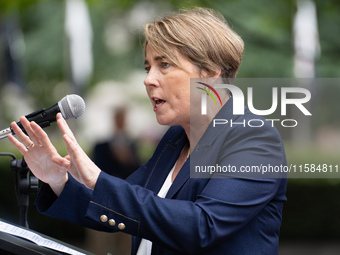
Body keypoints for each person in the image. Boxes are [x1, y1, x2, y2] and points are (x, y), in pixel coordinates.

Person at [8, 7, 287, 255]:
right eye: (147, 66)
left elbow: (201, 226)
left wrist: (96, 178)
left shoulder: (254, 140)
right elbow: (119, 208)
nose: (148, 79)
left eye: (164, 65)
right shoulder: (176, 140)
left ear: (210, 73)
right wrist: (58, 179)